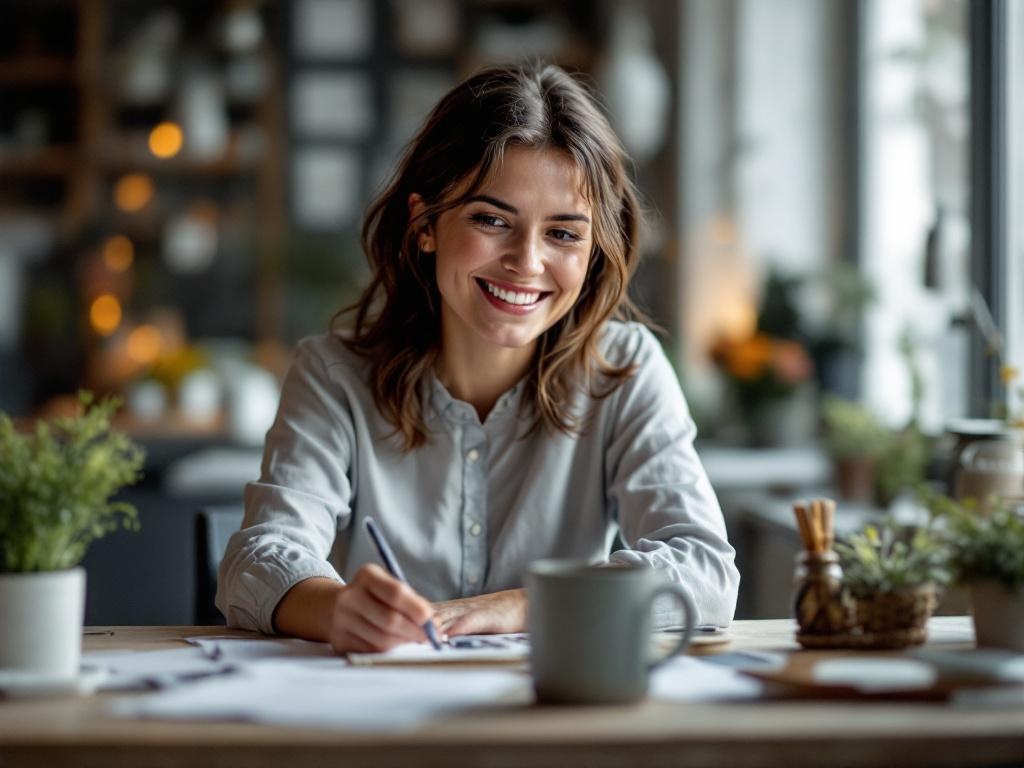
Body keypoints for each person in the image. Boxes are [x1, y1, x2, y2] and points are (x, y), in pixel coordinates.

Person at [217, 62, 739, 653]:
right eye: (492, 220)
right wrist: (336, 609)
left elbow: (705, 572)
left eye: (564, 234)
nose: (527, 261)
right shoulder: (333, 376)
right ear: (425, 223)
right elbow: (255, 561)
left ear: (594, 249)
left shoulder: (626, 370)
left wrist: (520, 606)